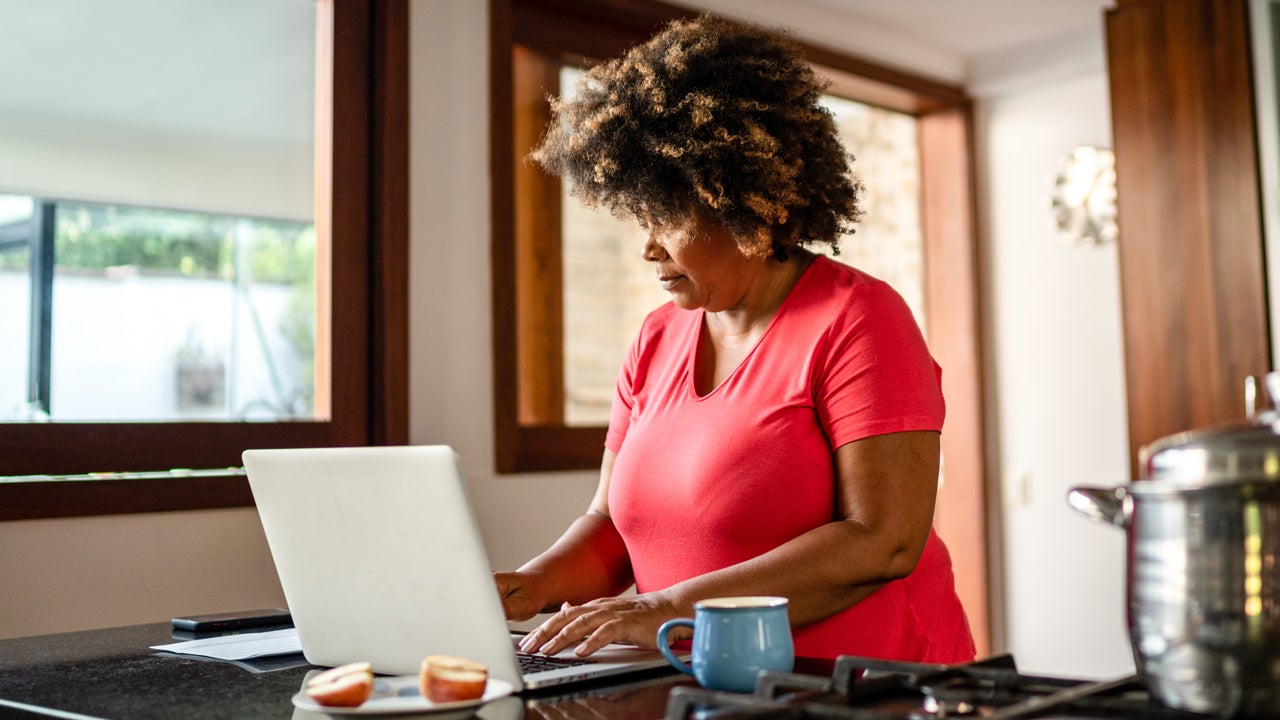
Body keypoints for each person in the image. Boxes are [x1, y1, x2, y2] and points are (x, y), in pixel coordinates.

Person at [494, 13, 976, 664]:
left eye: (667, 216)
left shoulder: (858, 318)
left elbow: (883, 538)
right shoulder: (655, 340)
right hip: (704, 684)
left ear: (749, 199)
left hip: (862, 689)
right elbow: (612, 529)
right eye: (642, 215)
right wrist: (527, 586)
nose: (648, 247)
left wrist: (659, 610)